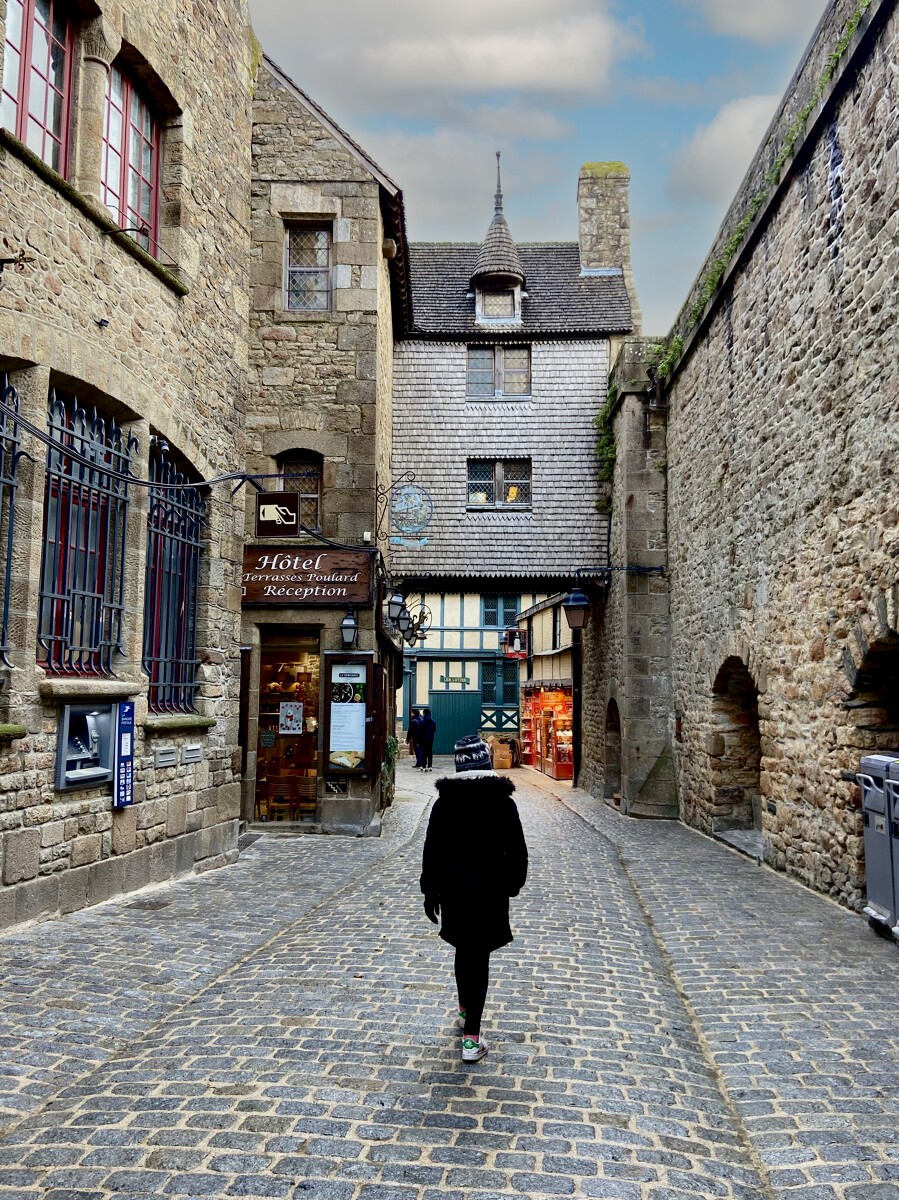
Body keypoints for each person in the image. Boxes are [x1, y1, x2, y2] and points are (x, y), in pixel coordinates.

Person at [420, 734, 528, 1063]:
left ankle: (467, 1013)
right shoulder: (502, 802)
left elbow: (432, 850)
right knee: (477, 956)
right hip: (489, 890)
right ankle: (471, 1038)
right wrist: (513, 884)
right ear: (485, 763)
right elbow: (518, 851)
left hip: (455, 891)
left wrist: (430, 891)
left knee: (464, 949)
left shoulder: (445, 804)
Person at [418, 707, 436, 772]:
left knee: (424, 753)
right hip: (430, 739)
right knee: (430, 752)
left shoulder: (422, 722)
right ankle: (430, 766)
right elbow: (434, 730)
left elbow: (420, 731)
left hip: (423, 739)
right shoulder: (433, 722)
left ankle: (424, 766)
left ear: (424, 714)